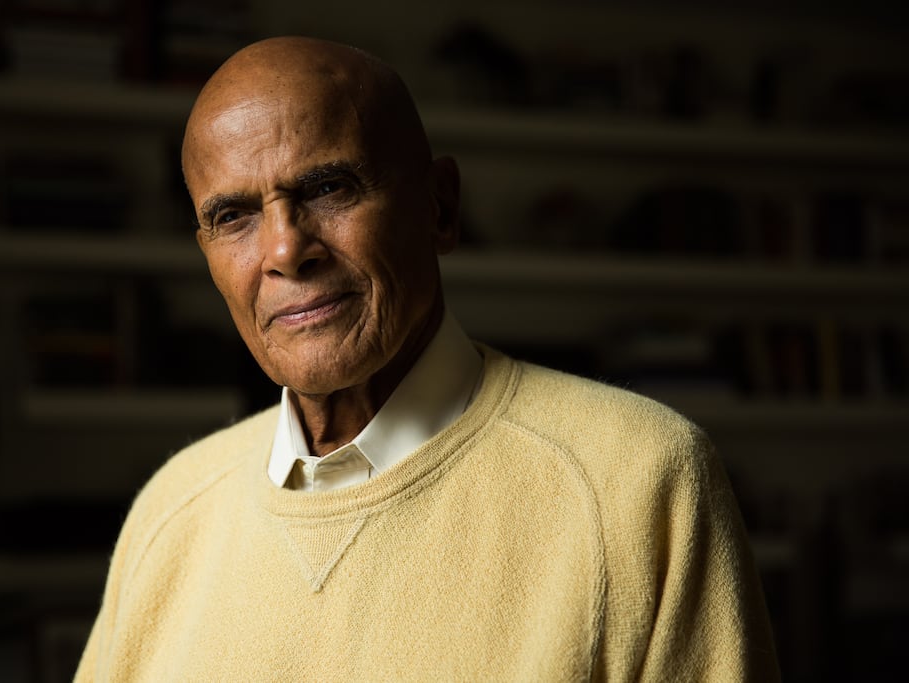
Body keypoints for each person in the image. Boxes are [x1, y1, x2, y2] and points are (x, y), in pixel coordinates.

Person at [75, 36, 779, 681]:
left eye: (328, 188)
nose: (285, 250)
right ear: (207, 253)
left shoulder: (640, 481)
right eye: (234, 217)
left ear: (440, 207)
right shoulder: (170, 509)